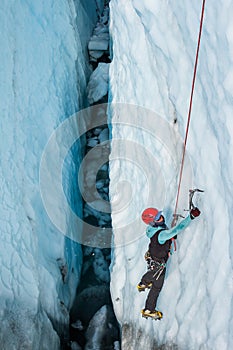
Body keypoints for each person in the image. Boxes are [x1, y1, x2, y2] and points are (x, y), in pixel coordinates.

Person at [138, 206, 201, 319]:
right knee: (157, 285)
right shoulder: (162, 234)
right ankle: (145, 286)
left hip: (154, 258)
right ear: (153, 223)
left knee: (156, 283)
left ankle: (147, 298)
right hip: (159, 264)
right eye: (157, 218)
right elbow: (177, 229)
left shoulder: (152, 230)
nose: (161, 218)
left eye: (159, 215)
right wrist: (190, 217)